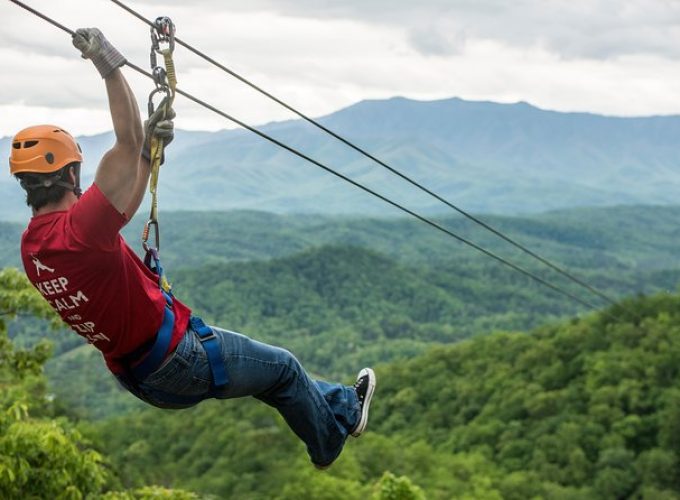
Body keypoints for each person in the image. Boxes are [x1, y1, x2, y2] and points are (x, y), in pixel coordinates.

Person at [10, 28, 375, 469]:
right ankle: (330, 442)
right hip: (179, 359)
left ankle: (341, 406)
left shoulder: (34, 246)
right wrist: (108, 66)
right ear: (71, 175)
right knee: (282, 367)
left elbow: (121, 206)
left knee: (271, 376)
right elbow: (125, 143)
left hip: (141, 374)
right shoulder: (81, 229)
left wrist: (147, 156)